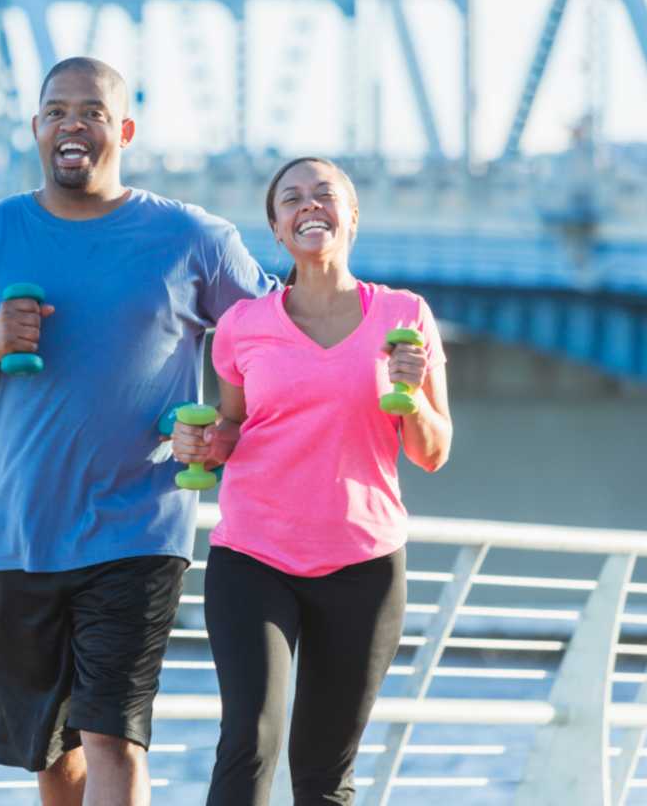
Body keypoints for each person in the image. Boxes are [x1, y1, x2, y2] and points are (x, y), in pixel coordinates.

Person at [0, 57, 275, 806]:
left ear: (124, 131)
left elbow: (271, 347)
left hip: (140, 530)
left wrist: (220, 429)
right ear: (37, 129)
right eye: (57, 111)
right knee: (54, 754)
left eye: (94, 112)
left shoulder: (191, 238)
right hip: (20, 533)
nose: (73, 123)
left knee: (114, 734)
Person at [171, 156, 452, 806]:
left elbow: (434, 452)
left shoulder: (405, 315)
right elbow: (233, 428)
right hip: (253, 557)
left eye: (324, 194)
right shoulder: (242, 326)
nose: (309, 206)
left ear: (352, 215)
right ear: (276, 228)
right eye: (291, 199)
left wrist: (410, 393)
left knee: (326, 775)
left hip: (364, 565)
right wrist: (205, 442)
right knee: (249, 742)